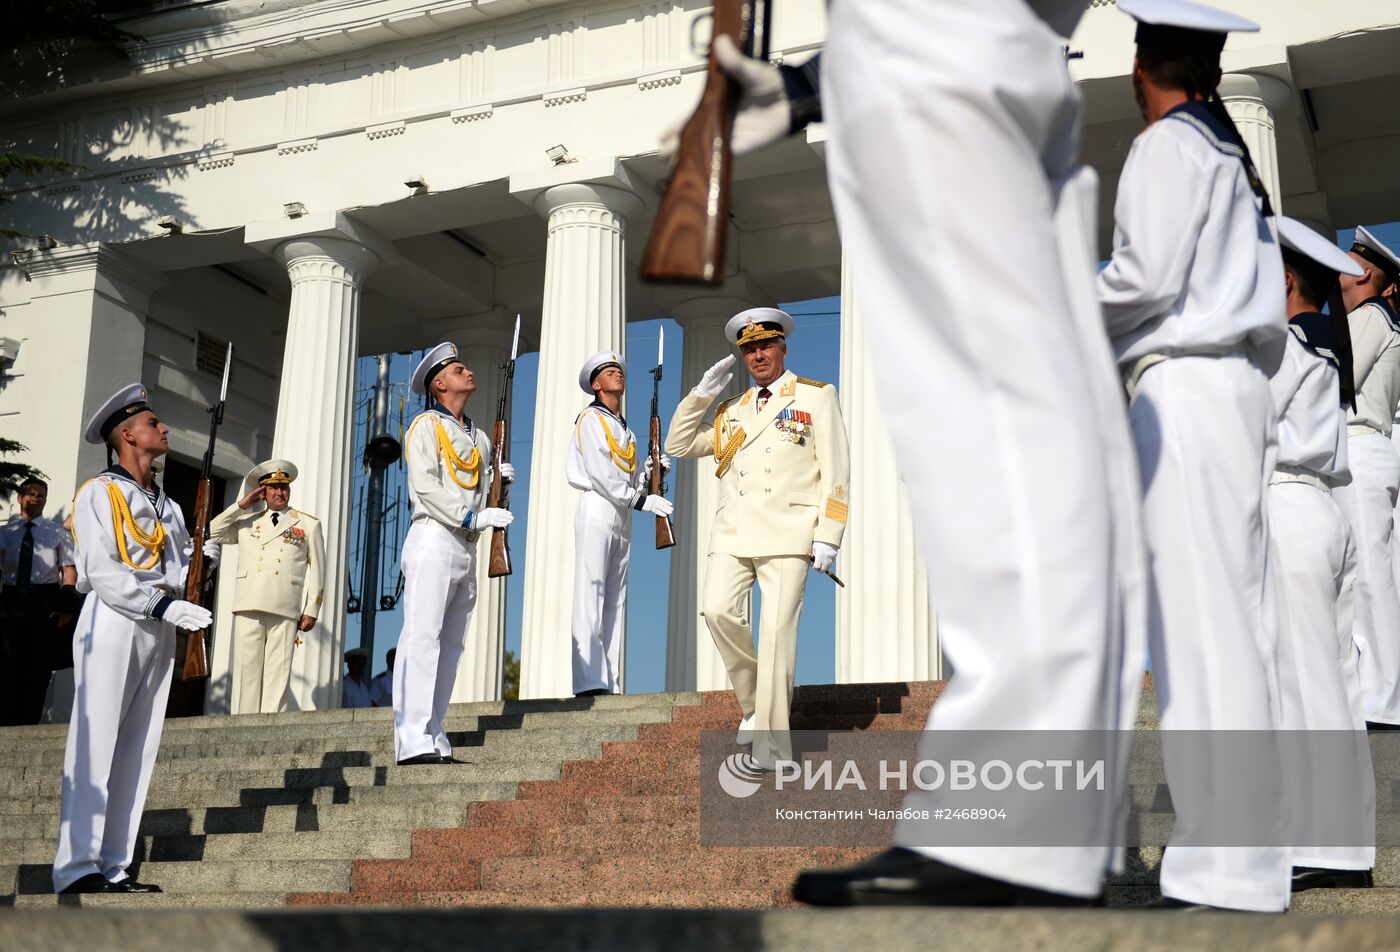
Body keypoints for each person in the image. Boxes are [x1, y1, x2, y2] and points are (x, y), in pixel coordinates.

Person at [686, 0, 1148, 908]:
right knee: (977, 496)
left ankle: (1025, 836)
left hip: (952, 108)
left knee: (1013, 478)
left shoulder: (813, 399)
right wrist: (819, 82)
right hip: (912, 112)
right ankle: (1014, 833)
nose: (760, 352)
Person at [1095, 0, 1292, 912]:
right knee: (1233, 627)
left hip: (1185, 386)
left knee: (1199, 630)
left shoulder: (1168, 147)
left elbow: (1143, 279)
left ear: (1144, 69)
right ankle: (1245, 859)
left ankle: (1224, 865)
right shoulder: (1228, 153)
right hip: (1232, 391)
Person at [667, 308, 850, 770]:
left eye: (765, 345)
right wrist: (702, 394)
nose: (757, 354)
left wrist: (830, 535)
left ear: (783, 348)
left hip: (791, 530)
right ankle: (753, 704)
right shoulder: (732, 410)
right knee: (716, 610)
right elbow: (679, 446)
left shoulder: (815, 395)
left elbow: (838, 474)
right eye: (749, 349)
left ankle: (771, 747)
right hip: (733, 531)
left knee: (775, 636)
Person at [52, 384, 216, 895]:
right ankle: (77, 864)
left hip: (158, 628)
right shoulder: (99, 491)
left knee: (137, 747)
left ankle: (114, 863)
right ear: (127, 435)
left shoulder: (164, 504)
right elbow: (100, 570)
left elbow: (178, 569)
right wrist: (165, 604)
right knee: (95, 740)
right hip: (114, 620)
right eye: (153, 423)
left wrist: (207, 552)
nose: (163, 429)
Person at [1267, 217, 1376, 892]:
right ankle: (1340, 845)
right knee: (1330, 683)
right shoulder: (1322, 342)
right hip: (1320, 509)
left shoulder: (1279, 344)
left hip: (1286, 506)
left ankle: (1329, 847)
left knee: (1305, 686)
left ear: (1280, 281)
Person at [394, 342, 514, 766]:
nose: (469, 373)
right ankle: (411, 738)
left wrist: (496, 482)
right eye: (459, 369)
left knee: (452, 643)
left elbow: (478, 489)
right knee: (422, 636)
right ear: (440, 383)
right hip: (435, 536)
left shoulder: (478, 435)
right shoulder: (426, 425)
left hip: (465, 543)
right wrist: (472, 515)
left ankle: (432, 728)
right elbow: (425, 486)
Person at [568, 352, 674, 696]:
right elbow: (600, 474)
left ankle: (609, 680)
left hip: (621, 510)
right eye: (609, 372)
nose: (618, 375)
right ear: (596, 385)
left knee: (615, 598)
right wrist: (641, 500)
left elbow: (624, 479)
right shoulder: (591, 419)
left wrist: (649, 477)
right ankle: (589, 679)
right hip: (598, 505)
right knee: (592, 589)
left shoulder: (622, 427)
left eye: (620, 372)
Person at [1332, 226, 1400, 729]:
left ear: (1367, 271)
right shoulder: (1365, 317)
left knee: (1372, 581)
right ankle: (1372, 695)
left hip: (1361, 445)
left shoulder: (1372, 314)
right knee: (1358, 579)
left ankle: (1384, 702)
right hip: (1354, 451)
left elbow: (1338, 381)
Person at [208, 460, 325, 715]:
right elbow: (214, 531)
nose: (279, 493)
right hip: (249, 600)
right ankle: (242, 723)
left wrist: (312, 608)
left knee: (278, 671)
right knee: (245, 671)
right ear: (263, 492)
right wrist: (241, 506)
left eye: (283, 487)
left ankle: (272, 724)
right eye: (272, 488)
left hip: (285, 604)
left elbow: (318, 569)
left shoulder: (307, 524)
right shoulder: (247, 522)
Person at [0, 477, 78, 725]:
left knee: (38, 664)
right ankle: (6, 720)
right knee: (7, 661)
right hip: (11, 601)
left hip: (43, 601)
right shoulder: (5, 533)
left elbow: (69, 570)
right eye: (31, 494)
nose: (36, 499)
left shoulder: (57, 533)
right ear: (20, 498)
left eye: (41, 496)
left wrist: (66, 605)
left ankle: (28, 722)